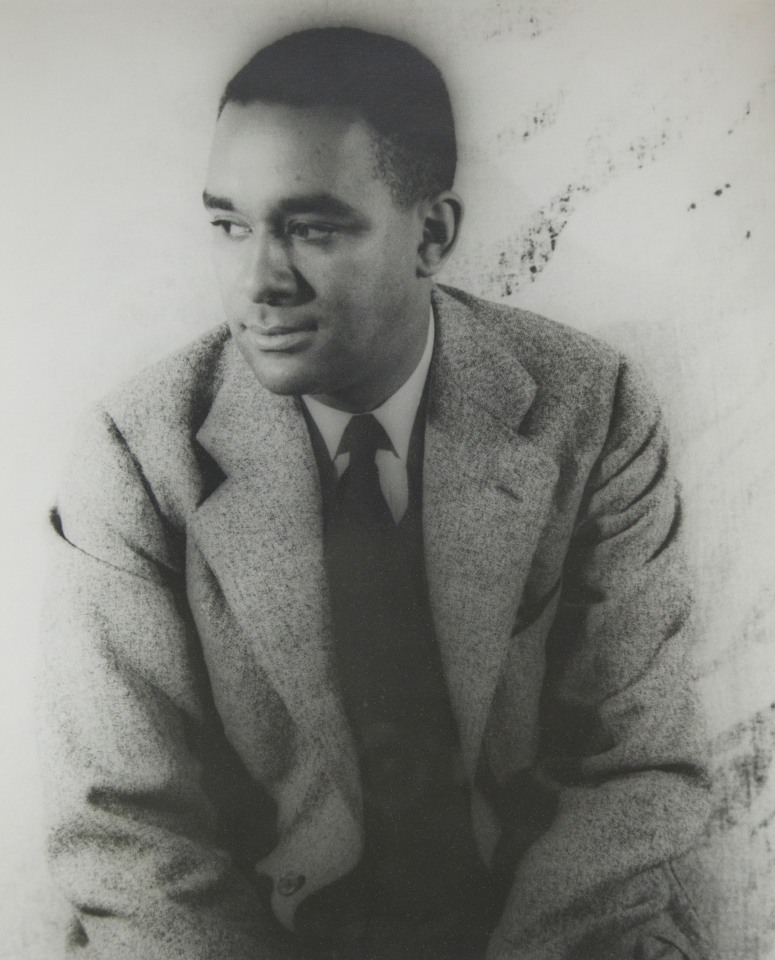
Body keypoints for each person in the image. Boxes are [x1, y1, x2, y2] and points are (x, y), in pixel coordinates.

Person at [38, 25, 712, 960]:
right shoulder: (136, 453)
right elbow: (127, 830)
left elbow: (630, 771)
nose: (258, 280)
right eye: (230, 225)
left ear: (431, 234)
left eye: (311, 228)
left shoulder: (589, 407)